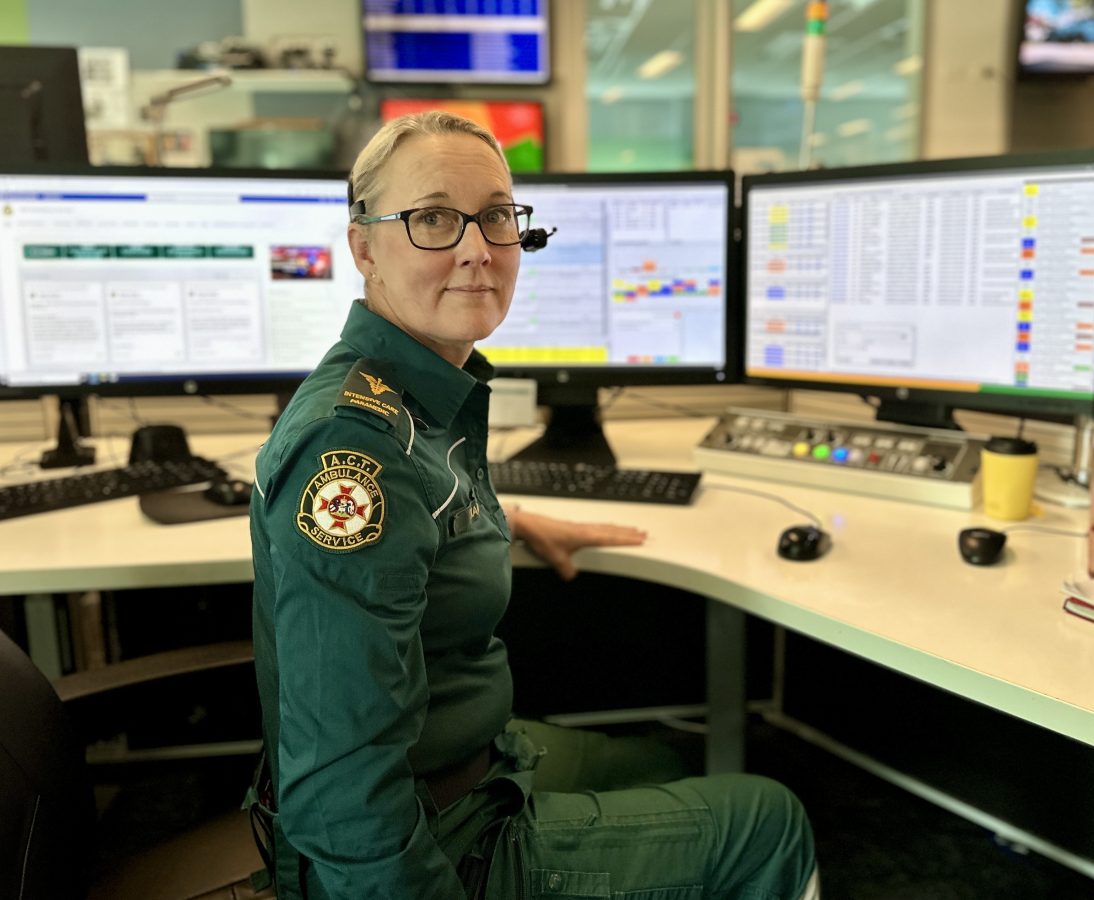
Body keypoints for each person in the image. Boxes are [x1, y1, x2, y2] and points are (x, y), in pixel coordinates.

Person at [249, 110, 819, 900]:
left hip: (469, 760)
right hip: (433, 835)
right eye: (435, 219)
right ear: (363, 247)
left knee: (660, 761)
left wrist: (499, 522)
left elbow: (412, 526)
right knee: (769, 818)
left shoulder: (413, 393)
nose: (478, 248)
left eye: (495, 217)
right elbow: (342, 798)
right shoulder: (351, 459)